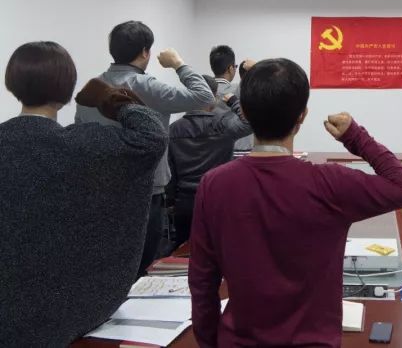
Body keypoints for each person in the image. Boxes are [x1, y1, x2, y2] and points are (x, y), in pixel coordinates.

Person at [189, 58, 402, 348]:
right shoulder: (330, 183)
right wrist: (355, 137)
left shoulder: (214, 184)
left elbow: (202, 281)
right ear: (302, 115)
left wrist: (210, 343)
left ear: (244, 112)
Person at [0, 42, 167, 346]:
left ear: (11, 84)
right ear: (68, 89)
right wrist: (112, 99)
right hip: (79, 311)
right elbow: (152, 136)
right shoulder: (87, 147)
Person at [75, 21, 214, 275]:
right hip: (146, 192)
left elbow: (81, 135)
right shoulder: (147, 87)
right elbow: (204, 96)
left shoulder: (91, 89)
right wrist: (178, 64)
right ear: (144, 52)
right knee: (142, 267)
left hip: (101, 190)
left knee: (107, 267)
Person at [168, 75, 253, 245]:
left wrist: (171, 202)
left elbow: (171, 172)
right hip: (218, 201)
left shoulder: (173, 129)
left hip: (185, 203)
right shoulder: (223, 125)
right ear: (213, 96)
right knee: (220, 251)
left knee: (183, 254)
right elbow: (250, 124)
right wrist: (234, 102)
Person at [210, 44, 255, 151]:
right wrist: (255, 68)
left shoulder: (203, 91)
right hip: (239, 151)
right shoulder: (240, 88)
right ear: (230, 68)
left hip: (212, 151)